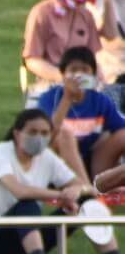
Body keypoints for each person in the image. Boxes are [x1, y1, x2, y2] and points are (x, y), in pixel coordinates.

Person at [0, 108, 125, 254]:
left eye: (44, 133)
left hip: (25, 238)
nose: (39, 138)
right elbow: (20, 192)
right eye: (33, 132)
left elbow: (85, 188)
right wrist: (63, 196)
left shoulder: (47, 157)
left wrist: (78, 191)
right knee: (28, 205)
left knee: (87, 203)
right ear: (17, 134)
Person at [23, 0, 118, 102]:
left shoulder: (84, 13)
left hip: (85, 84)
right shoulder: (41, 12)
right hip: (51, 84)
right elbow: (32, 60)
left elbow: (110, 36)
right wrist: (63, 77)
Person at [36, 46, 125, 182]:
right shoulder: (49, 98)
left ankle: (101, 184)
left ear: (93, 75)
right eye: (73, 70)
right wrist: (67, 98)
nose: (79, 75)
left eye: (84, 70)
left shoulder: (100, 101)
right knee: (64, 136)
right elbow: (47, 135)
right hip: (57, 162)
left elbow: (120, 128)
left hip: (93, 160)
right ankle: (85, 188)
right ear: (63, 74)